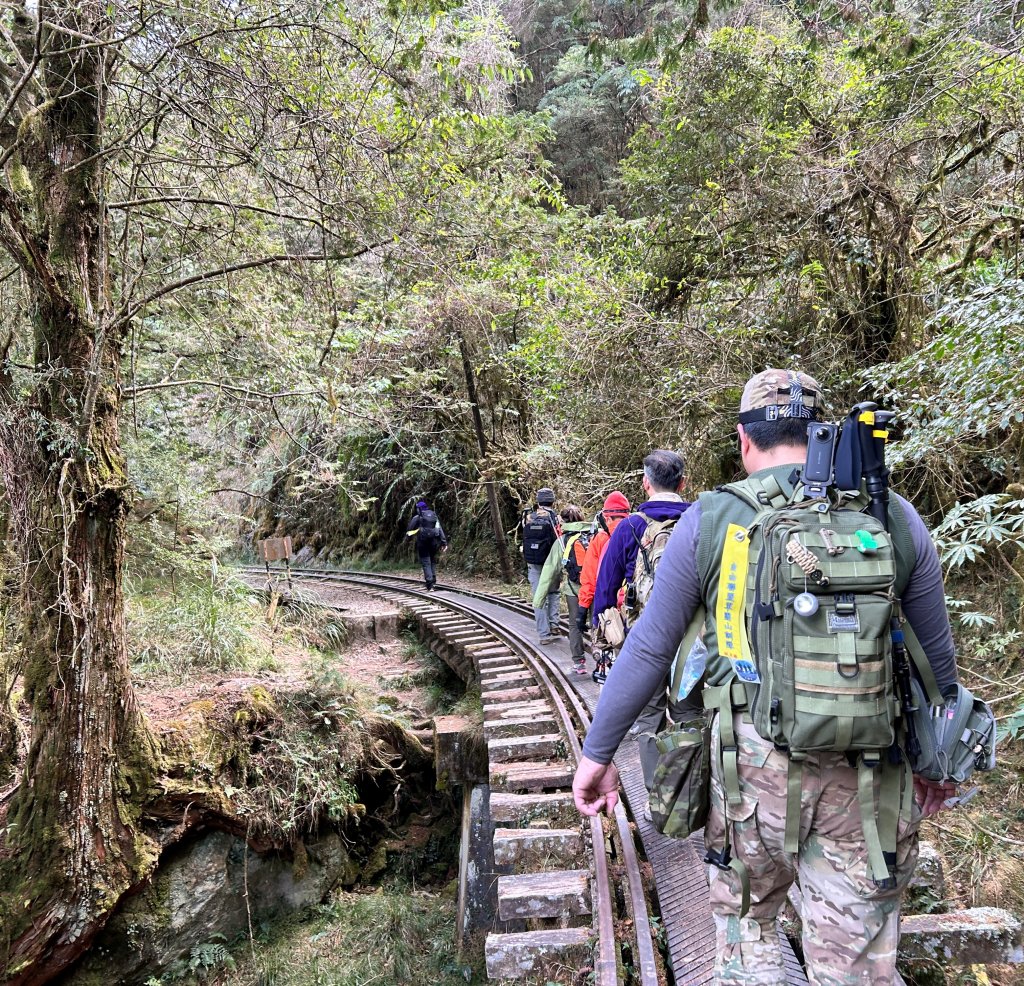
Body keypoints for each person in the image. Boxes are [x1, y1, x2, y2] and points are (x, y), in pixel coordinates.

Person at [572, 369, 960, 986]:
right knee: (858, 969)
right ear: (826, 435)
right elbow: (937, 663)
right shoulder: (893, 513)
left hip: (748, 789)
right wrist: (936, 768)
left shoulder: (712, 519)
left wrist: (598, 753)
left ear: (744, 440)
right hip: (867, 795)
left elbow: (648, 650)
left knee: (748, 942)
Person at [590, 449, 690, 786]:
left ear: (645, 484)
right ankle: (694, 796)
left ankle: (658, 799)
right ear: (683, 482)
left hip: (642, 638)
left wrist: (600, 636)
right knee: (692, 717)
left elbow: (604, 589)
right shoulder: (699, 522)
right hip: (695, 642)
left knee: (649, 719)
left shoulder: (629, 528)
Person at [576, 490, 631, 680]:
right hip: (635, 607)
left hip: (607, 610)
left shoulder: (600, 540)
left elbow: (590, 577)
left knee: (611, 650)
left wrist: (583, 608)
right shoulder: (639, 530)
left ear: (606, 517)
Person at [532, 505, 592, 673]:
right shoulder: (594, 535)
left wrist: (538, 600)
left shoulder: (562, 542)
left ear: (563, 522)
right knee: (597, 623)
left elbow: (549, 571)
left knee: (574, 625)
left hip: (574, 591)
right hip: (595, 588)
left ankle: (579, 663)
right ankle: (602, 657)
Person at [522, 487, 561, 644]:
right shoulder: (555, 518)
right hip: (551, 561)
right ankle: (554, 625)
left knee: (539, 598)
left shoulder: (528, 517)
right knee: (553, 592)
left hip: (534, 562)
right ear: (552, 501)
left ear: (538, 501)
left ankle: (544, 635)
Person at [406, 499, 447, 590]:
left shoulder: (417, 517)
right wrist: (444, 542)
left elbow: (409, 530)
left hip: (423, 543)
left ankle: (430, 584)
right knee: (432, 561)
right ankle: (434, 581)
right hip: (434, 542)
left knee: (426, 562)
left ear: (419, 509)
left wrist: (408, 540)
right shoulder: (434, 516)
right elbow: (439, 529)